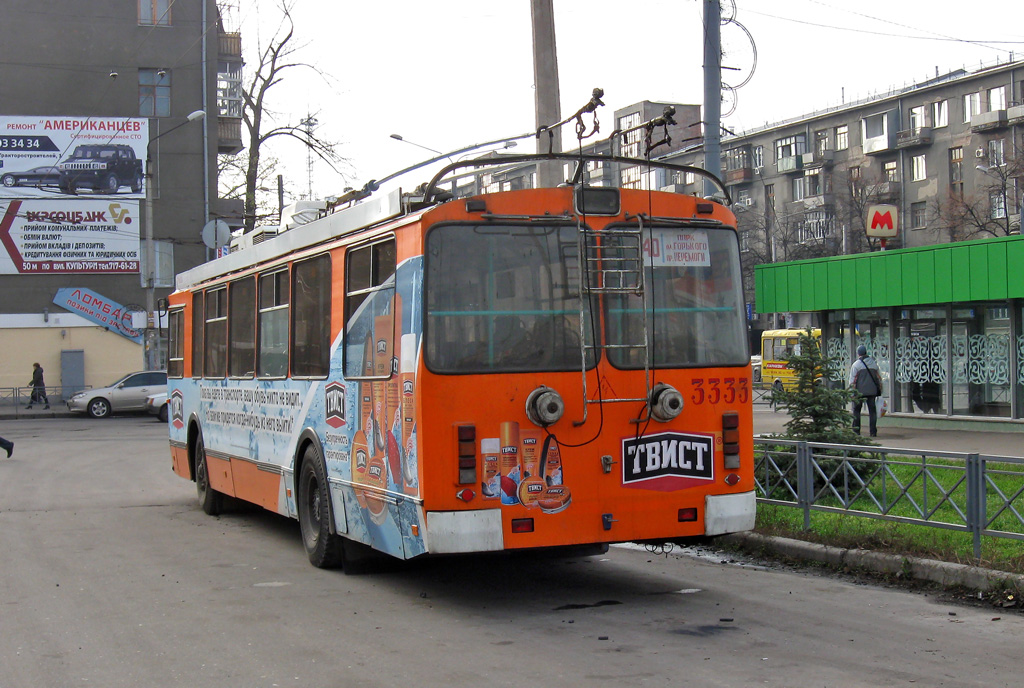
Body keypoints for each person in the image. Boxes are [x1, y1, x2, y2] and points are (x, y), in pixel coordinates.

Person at [848, 345, 882, 437]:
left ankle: (856, 431)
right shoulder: (873, 363)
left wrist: (852, 392)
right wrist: (879, 390)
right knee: (872, 411)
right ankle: (873, 431)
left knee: (857, 411)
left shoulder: (856, 365)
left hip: (859, 392)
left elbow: (852, 381)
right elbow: (879, 378)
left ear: (858, 353)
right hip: (872, 392)